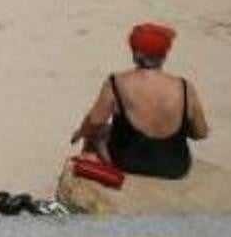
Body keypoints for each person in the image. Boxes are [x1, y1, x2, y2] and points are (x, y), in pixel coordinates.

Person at [71, 23, 210, 179]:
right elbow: (201, 133)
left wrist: (81, 132)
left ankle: (89, 172)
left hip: (127, 162)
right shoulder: (185, 87)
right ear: (164, 55)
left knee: (96, 133)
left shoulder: (117, 82)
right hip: (175, 166)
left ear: (134, 53)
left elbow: (95, 121)